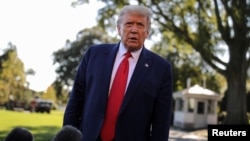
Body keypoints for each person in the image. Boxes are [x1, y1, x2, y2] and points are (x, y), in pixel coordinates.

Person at [63, 4, 173, 141]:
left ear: (147, 33)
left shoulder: (161, 69)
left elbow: (161, 122)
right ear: (118, 29)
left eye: (140, 25)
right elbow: (75, 101)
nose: (134, 30)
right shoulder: (94, 55)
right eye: (129, 24)